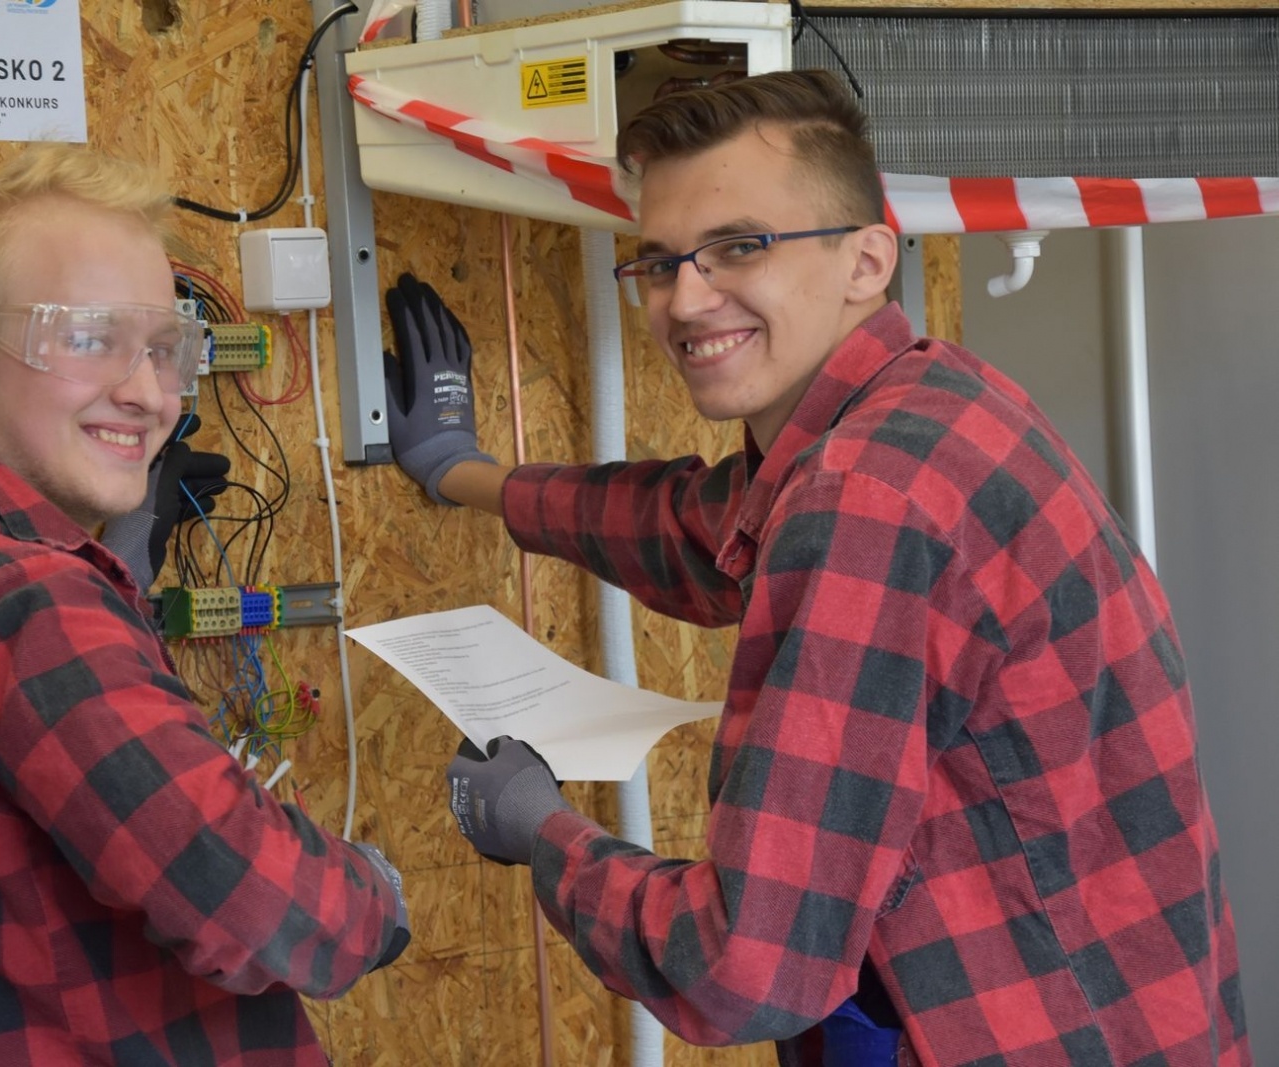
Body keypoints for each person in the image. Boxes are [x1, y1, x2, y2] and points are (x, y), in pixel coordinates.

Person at [381, 70, 1247, 1065]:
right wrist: (465, 473)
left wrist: (543, 835)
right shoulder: (933, 396)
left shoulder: (867, 498)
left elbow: (748, 965)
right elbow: (700, 527)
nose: (685, 297)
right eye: (659, 262)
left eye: (738, 246)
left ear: (866, 259)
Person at [0, 142, 408, 1067]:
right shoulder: (22, 597)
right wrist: (374, 895)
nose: (148, 394)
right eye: (91, 338)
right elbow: (251, 900)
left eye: (164, 350)